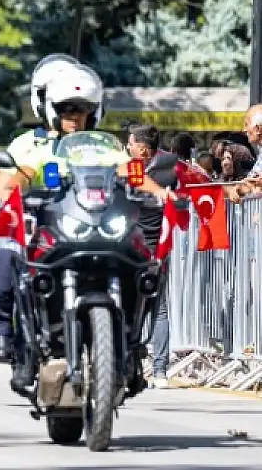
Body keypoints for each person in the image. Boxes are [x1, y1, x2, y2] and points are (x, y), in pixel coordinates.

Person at [0, 61, 176, 390]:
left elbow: (133, 174)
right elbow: (16, 180)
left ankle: (133, 348)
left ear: (95, 112)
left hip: (102, 228)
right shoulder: (44, 151)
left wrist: (161, 193)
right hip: (57, 229)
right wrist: (9, 194)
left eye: (83, 110)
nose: (75, 117)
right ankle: (24, 350)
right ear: (51, 110)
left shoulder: (109, 149)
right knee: (18, 269)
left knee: (148, 269)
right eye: (67, 110)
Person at [125, 124, 179, 388]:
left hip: (151, 248)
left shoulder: (165, 170)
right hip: (132, 246)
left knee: (156, 308)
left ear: (143, 149)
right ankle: (134, 362)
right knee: (142, 307)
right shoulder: (165, 166)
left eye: (131, 144)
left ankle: (158, 369)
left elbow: (201, 182)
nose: (128, 148)